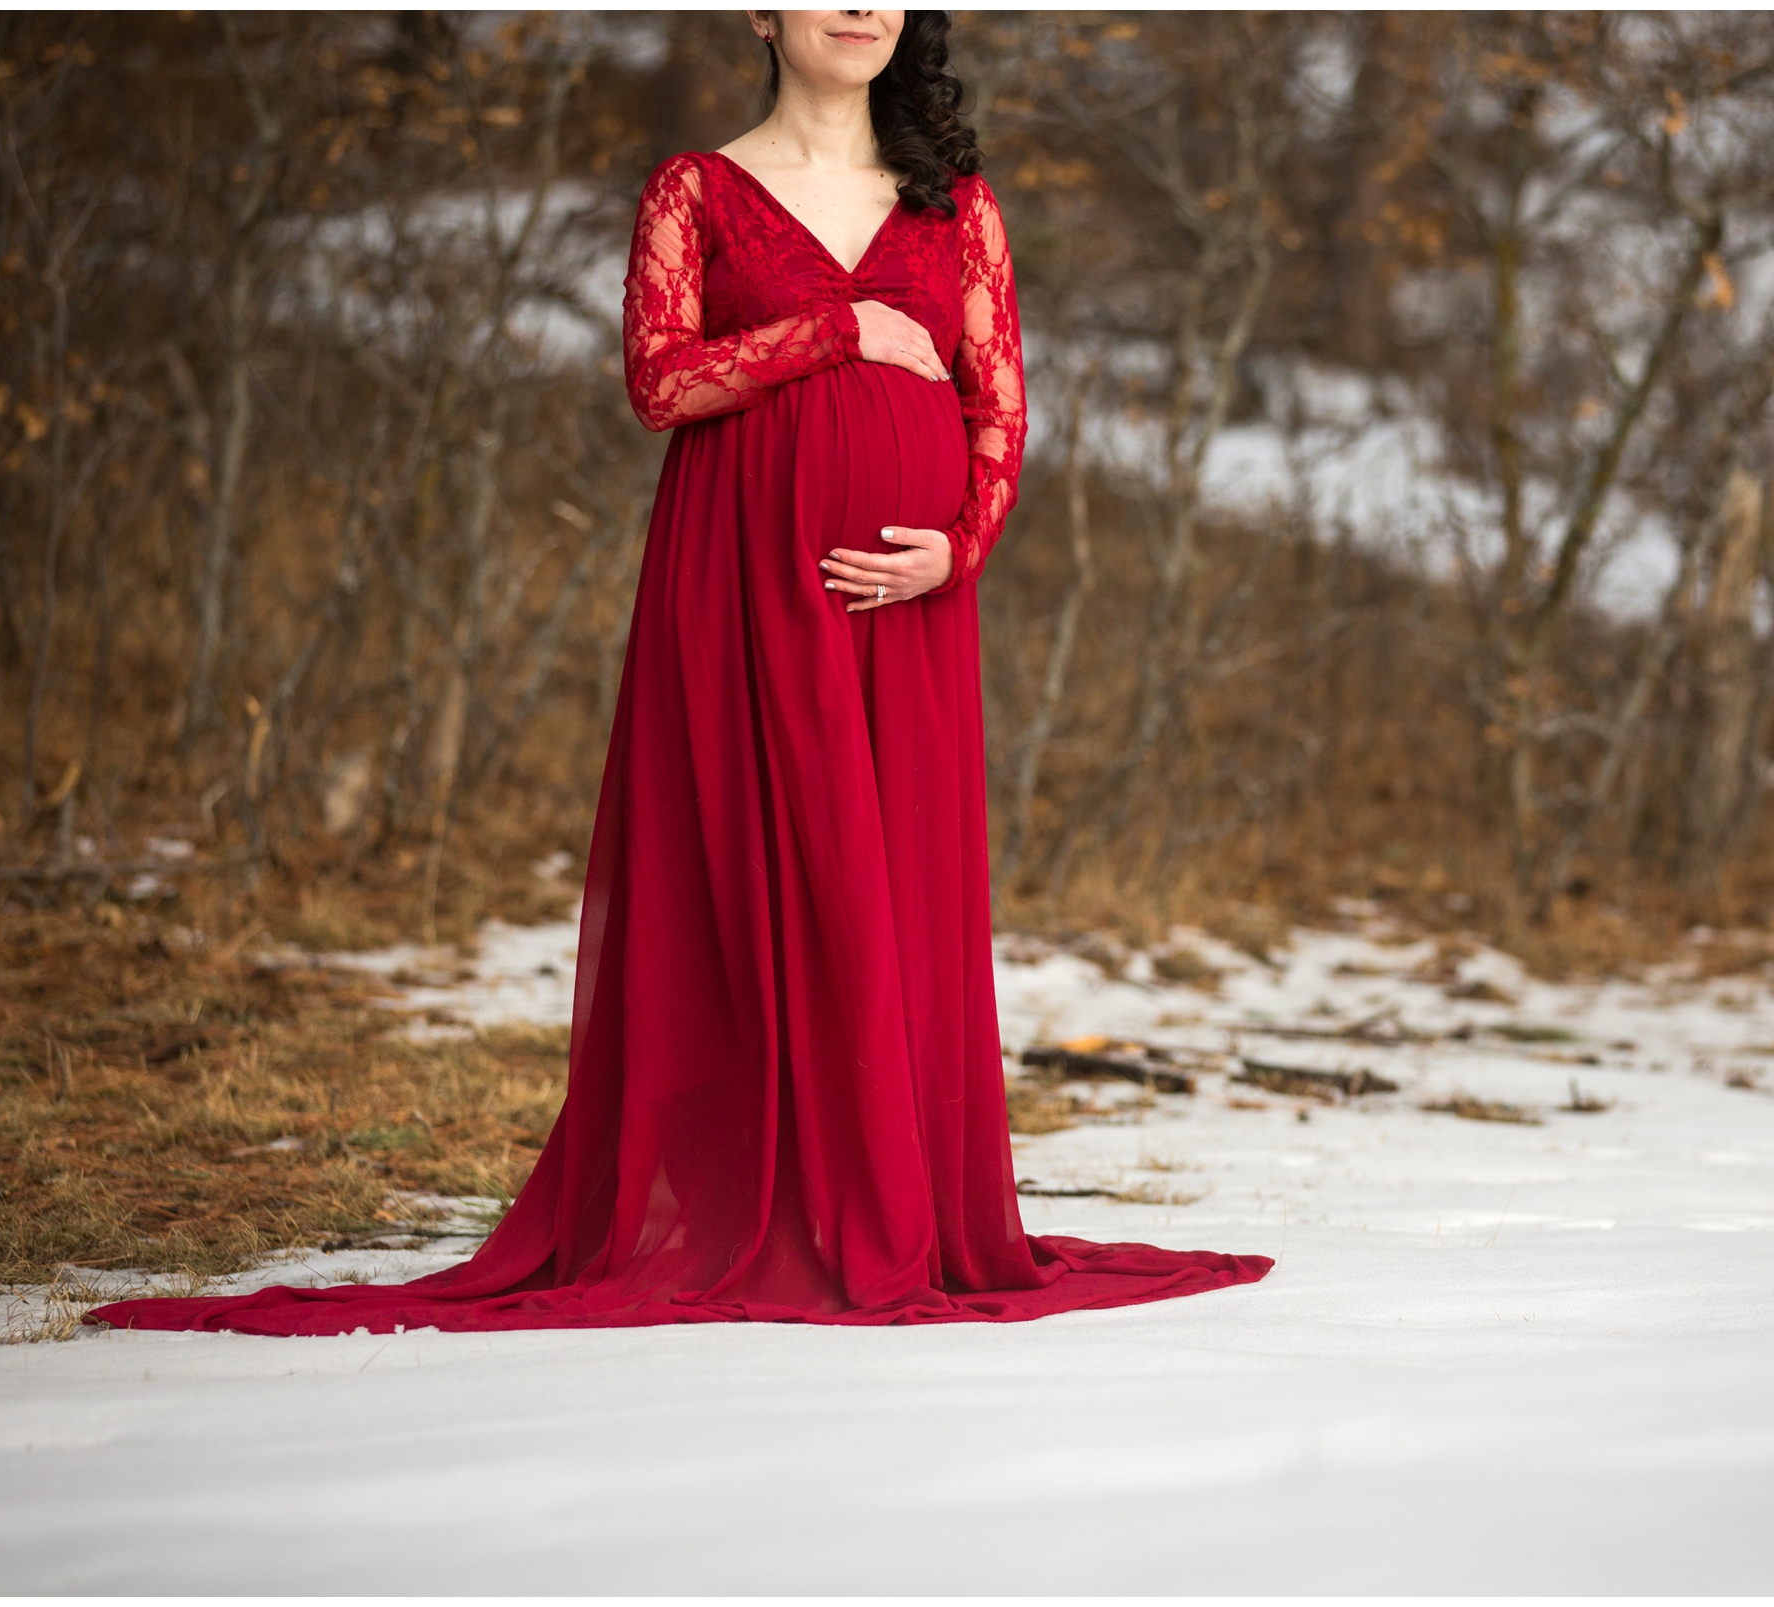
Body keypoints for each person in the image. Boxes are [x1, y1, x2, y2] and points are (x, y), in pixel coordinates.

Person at [88, 9, 1271, 1335]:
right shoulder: (696, 192)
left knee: (889, 878)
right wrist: (837, 334)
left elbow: (999, 406)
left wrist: (958, 550)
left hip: (911, 612)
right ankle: (773, 1198)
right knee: (768, 875)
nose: (862, 5)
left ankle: (894, 1196)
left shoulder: (958, 205)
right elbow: (659, 382)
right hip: (743, 589)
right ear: (759, 11)